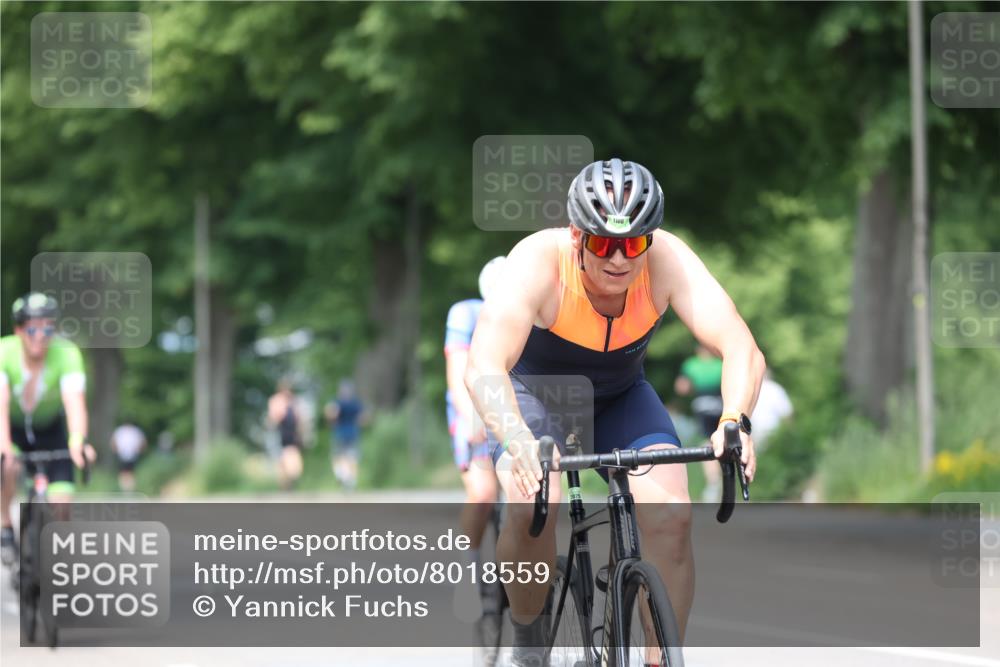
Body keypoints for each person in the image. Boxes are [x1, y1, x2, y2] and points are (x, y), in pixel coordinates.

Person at [465, 159, 764, 666]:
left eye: (635, 243)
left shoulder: (668, 261)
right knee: (535, 499)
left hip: (621, 396)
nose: (621, 258)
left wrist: (735, 418)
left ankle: (658, 656)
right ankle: (528, 642)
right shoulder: (538, 261)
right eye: (604, 243)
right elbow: (484, 366)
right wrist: (516, 440)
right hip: (538, 398)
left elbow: (740, 345)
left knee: (671, 516)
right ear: (577, 236)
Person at [1, 293, 96, 566]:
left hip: (50, 429)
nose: (40, 336)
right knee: (7, 465)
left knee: (62, 505)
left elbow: (75, 403)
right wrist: (4, 446)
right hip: (13, 428)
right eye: (32, 328)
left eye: (48, 328)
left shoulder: (67, 353)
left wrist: (78, 440)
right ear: (18, 330)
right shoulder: (4, 352)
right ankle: (5, 525)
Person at [444, 257, 506, 624]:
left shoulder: (532, 312)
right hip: (473, 410)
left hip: (514, 410)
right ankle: (467, 567)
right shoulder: (466, 314)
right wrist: (471, 416)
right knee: (482, 492)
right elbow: (457, 372)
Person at [674, 344, 725, 502]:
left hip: (702, 406)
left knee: (707, 442)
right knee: (725, 441)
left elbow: (681, 388)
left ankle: (713, 481)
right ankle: (726, 477)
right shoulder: (721, 364)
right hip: (721, 406)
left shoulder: (691, 365)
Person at [325, 380, 365, 490]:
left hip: (340, 433)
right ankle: (349, 480)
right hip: (352, 433)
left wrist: (332, 422)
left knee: (340, 457)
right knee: (351, 458)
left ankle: (342, 476)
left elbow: (330, 414)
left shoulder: (337, 402)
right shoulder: (355, 403)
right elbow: (363, 418)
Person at [267, 378, 301, 490]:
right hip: (279, 433)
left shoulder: (293, 402)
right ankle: (284, 487)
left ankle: (289, 483)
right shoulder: (276, 401)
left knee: (291, 463)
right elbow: (273, 419)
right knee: (281, 462)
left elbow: (298, 419)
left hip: (291, 434)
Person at [750, 369, 793, 449]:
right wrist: (790, 432)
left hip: (754, 431)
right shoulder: (776, 389)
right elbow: (787, 413)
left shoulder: (750, 389)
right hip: (773, 431)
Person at [110, 422, 146, 492]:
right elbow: (113, 442)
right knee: (124, 473)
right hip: (123, 455)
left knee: (129, 473)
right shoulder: (123, 430)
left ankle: (129, 489)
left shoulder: (133, 431)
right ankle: (125, 489)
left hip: (132, 455)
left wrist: (139, 450)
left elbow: (143, 442)